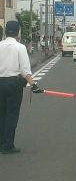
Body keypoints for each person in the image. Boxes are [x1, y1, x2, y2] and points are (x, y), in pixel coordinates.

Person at [0, 20, 42, 154]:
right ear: (17, 32)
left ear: (6, 31)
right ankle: (7, 145)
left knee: (1, 114)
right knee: (11, 114)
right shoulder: (20, 47)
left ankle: (1, 142)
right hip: (13, 84)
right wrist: (34, 85)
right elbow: (24, 70)